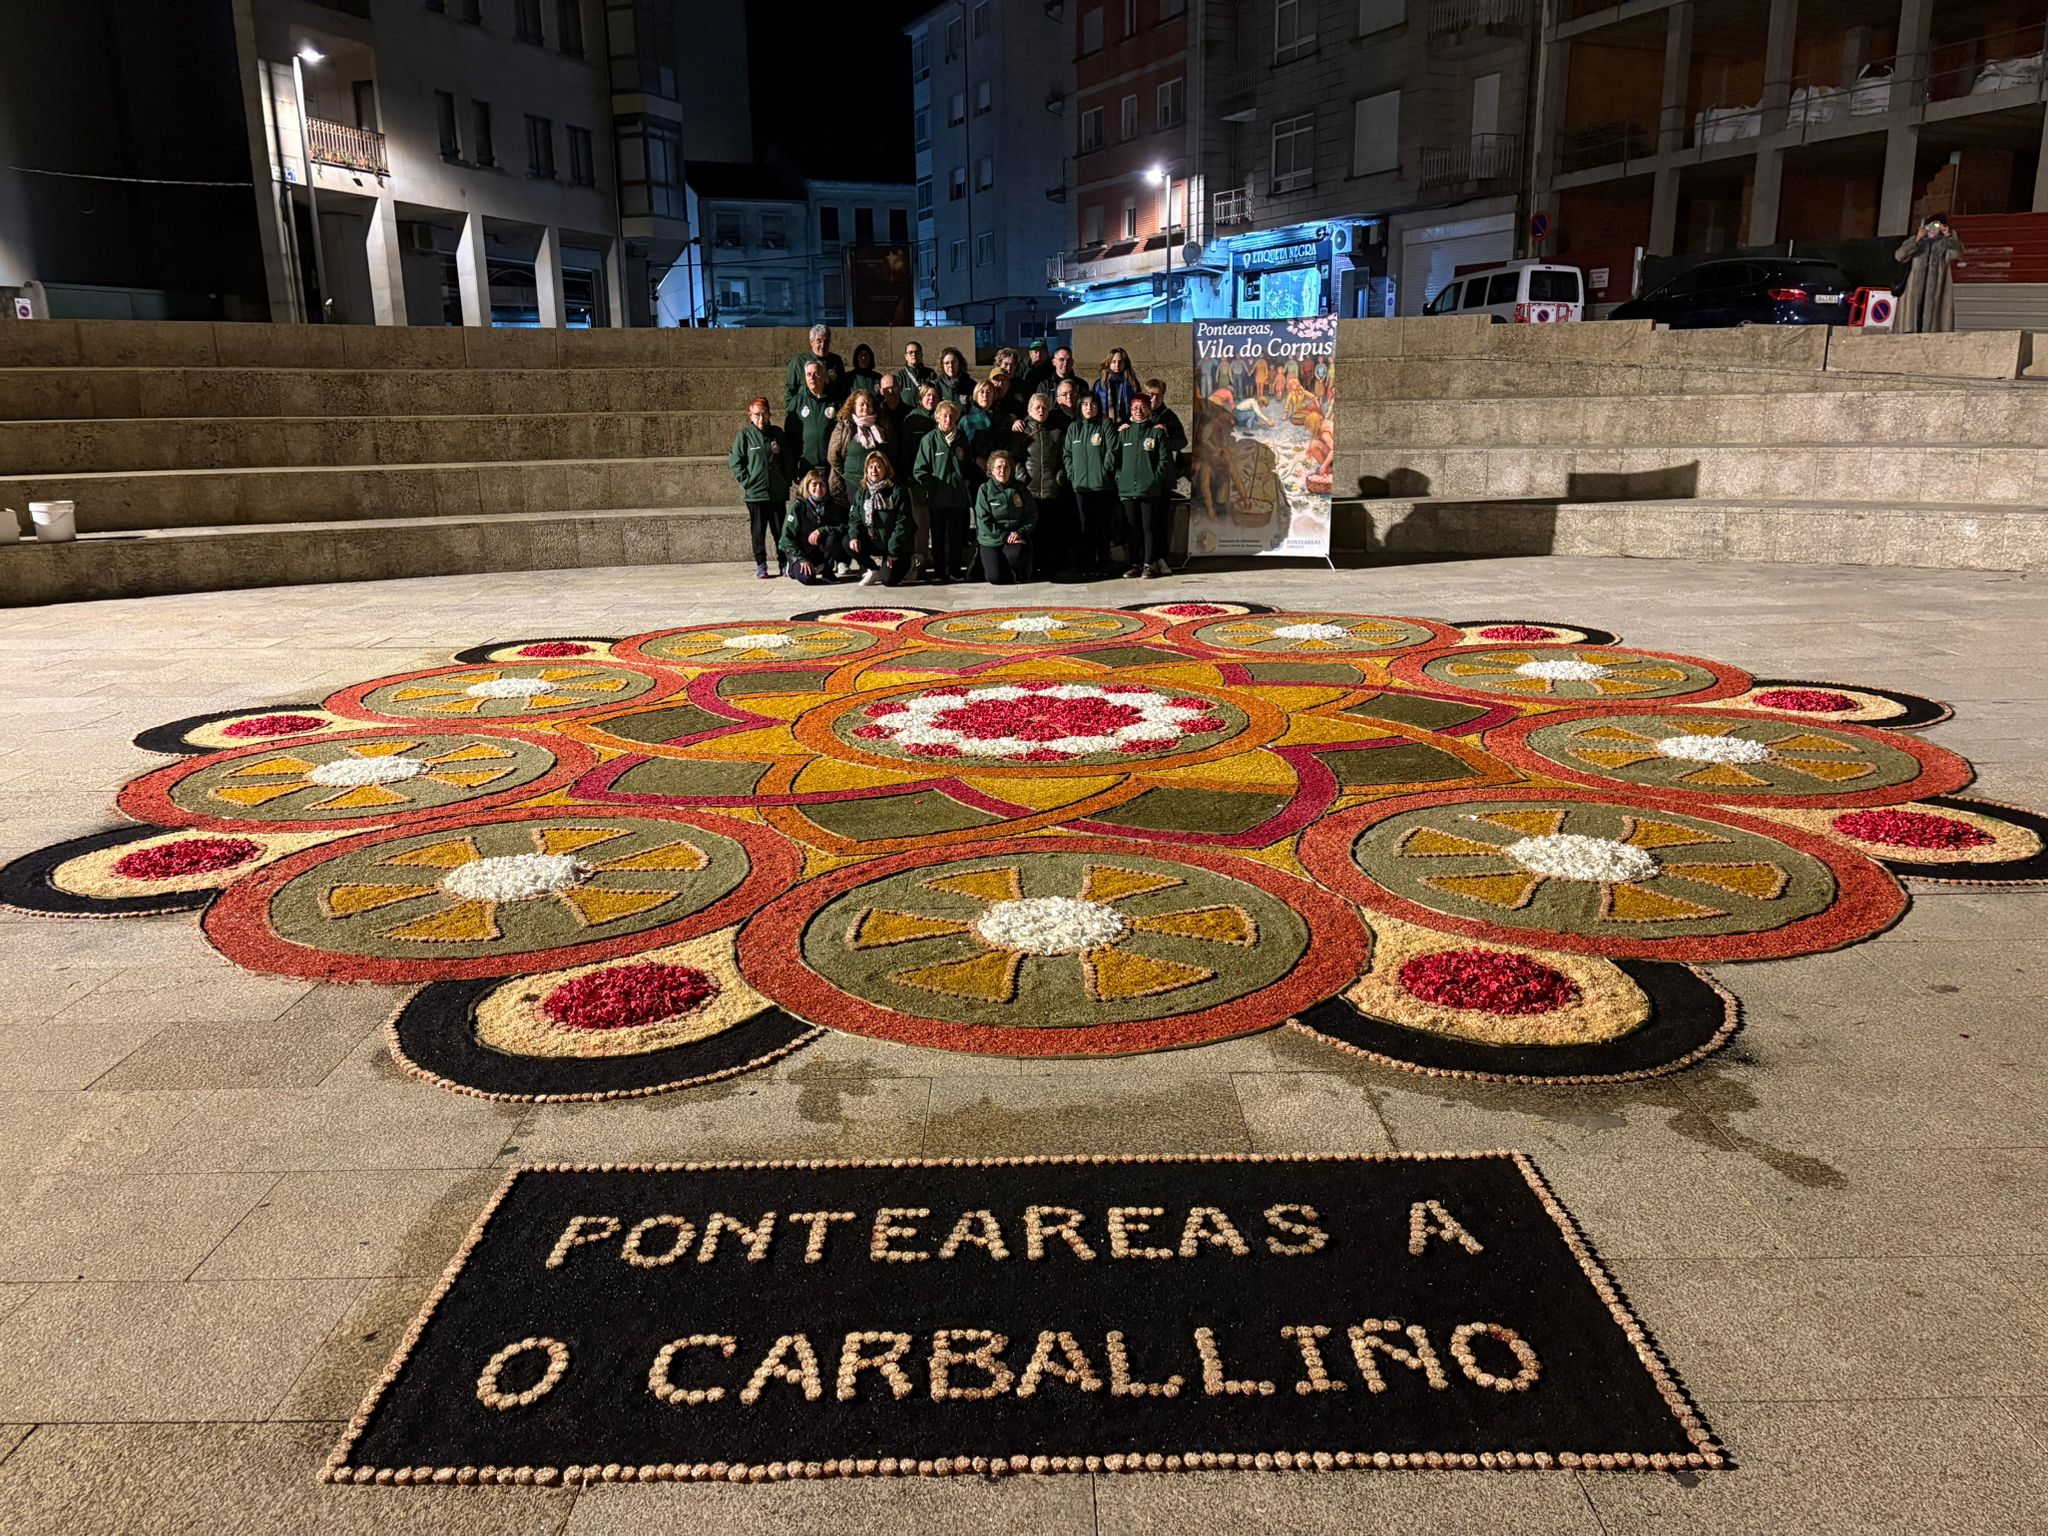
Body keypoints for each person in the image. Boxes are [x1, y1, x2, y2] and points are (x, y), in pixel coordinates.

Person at [1112, 394, 1176, 579]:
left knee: (1149, 528)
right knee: (1132, 528)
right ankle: (1135, 563)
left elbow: (1164, 460)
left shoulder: (1157, 432)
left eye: (1142, 407)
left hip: (1149, 490)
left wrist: (1153, 479)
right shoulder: (1124, 432)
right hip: (1127, 490)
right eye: (1134, 408)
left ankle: (1149, 564)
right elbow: (1116, 459)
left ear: (1149, 409)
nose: (1138, 411)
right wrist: (1120, 478)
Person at [726, 396, 789, 580]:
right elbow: (735, 461)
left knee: (780, 531)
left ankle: (784, 562)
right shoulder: (745, 435)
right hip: (756, 495)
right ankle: (761, 565)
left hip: (776, 493)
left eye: (764, 414)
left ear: (770, 414)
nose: (761, 418)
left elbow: (787, 459)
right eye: (757, 415)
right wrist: (747, 481)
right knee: (758, 532)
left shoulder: (777, 433)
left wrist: (785, 480)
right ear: (750, 416)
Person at [914, 398, 975, 583]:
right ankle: (940, 571)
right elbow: (919, 470)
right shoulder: (929, 440)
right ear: (938, 418)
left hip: (957, 498)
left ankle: (955, 570)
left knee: (956, 536)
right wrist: (931, 487)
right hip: (937, 498)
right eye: (944, 416)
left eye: (951, 416)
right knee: (938, 536)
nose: (948, 419)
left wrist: (966, 480)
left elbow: (968, 464)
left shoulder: (961, 438)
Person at [1063, 391, 1118, 579]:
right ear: (1080, 407)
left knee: (1102, 527)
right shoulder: (1073, 428)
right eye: (1085, 404)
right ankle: (1085, 565)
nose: (1089, 407)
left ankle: (1101, 564)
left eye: (1092, 404)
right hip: (1081, 488)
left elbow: (1113, 450)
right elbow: (1067, 455)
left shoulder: (1105, 426)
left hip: (1102, 487)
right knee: (1085, 527)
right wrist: (1072, 475)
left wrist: (1104, 471)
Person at [1015, 391, 1068, 575]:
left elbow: (1063, 459)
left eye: (1044, 407)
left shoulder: (1055, 433)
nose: (1041, 410)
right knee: (1033, 532)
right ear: (1030, 409)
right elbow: (1015, 459)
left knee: (1050, 531)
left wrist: (1059, 478)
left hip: (1051, 489)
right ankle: (1032, 567)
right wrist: (1023, 479)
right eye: (1037, 407)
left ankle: (1049, 566)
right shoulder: (1021, 432)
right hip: (1029, 489)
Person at [848, 451, 915, 587]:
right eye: (871, 467)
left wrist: (892, 550)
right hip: (876, 540)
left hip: (897, 545)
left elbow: (903, 522)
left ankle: (909, 565)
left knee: (888, 581)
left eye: (878, 467)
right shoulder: (862, 491)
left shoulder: (897, 490)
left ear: (886, 469)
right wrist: (854, 536)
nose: (874, 471)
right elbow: (854, 517)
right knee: (847, 541)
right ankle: (873, 569)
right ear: (866, 470)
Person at [827, 387, 897, 517]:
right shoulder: (845, 426)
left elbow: (892, 450)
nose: (865, 407)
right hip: (853, 482)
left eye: (869, 404)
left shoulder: (883, 425)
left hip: (878, 483)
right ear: (853, 406)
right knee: (857, 518)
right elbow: (833, 456)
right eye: (861, 404)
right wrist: (846, 473)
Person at [974, 449, 1037, 585]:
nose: (1002, 470)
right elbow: (984, 521)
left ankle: (1020, 571)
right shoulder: (984, 490)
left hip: (1014, 538)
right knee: (995, 578)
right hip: (991, 539)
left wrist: (1020, 532)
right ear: (991, 470)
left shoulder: (1019, 488)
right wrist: (1004, 536)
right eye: (998, 467)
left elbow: (1031, 514)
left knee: (1016, 555)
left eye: (1006, 467)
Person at [1894, 216, 1964, 334]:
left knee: (1933, 328)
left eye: (1937, 226)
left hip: (1937, 293)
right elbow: (1899, 256)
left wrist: (1949, 236)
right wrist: (1916, 239)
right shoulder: (1917, 241)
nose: (1933, 229)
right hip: (1913, 292)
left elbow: (1958, 254)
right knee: (1911, 325)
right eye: (1931, 225)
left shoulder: (1945, 245)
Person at [899, 383, 941, 577]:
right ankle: (921, 558)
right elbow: (905, 449)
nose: (931, 399)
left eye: (934, 395)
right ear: (920, 398)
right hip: (919, 479)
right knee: (921, 522)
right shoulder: (912, 419)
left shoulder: (943, 415)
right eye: (927, 395)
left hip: (940, 479)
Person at [778, 469, 844, 585]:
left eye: (822, 484)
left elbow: (843, 527)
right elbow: (786, 538)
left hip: (819, 550)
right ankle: (792, 568)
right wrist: (801, 559)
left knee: (834, 537)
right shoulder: (798, 507)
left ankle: (827, 572)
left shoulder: (831, 505)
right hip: (801, 553)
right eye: (814, 484)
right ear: (807, 486)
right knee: (808, 579)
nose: (818, 488)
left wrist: (822, 530)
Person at [784, 359, 837, 487]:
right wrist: (792, 466)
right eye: (808, 374)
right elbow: (789, 437)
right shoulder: (797, 402)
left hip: (830, 469)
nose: (812, 377)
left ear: (824, 377)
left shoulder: (835, 402)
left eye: (816, 373)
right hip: (806, 468)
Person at [783, 324, 846, 413]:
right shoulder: (798, 362)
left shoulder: (836, 361)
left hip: (830, 410)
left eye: (826, 341)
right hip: (806, 410)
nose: (823, 345)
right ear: (811, 342)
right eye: (819, 341)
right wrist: (791, 411)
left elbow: (842, 388)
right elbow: (790, 390)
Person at [961, 380, 1001, 475]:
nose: (985, 395)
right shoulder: (967, 420)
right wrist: (976, 459)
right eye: (981, 392)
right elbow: (961, 447)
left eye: (989, 392)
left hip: (998, 470)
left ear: (994, 395)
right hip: (973, 471)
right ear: (976, 395)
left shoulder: (1001, 418)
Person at [1095, 346, 1138, 424]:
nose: (1117, 365)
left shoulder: (1132, 382)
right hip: (1105, 424)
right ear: (1109, 363)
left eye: (1120, 362)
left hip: (1127, 424)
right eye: (1113, 361)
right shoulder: (1100, 384)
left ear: (1125, 363)